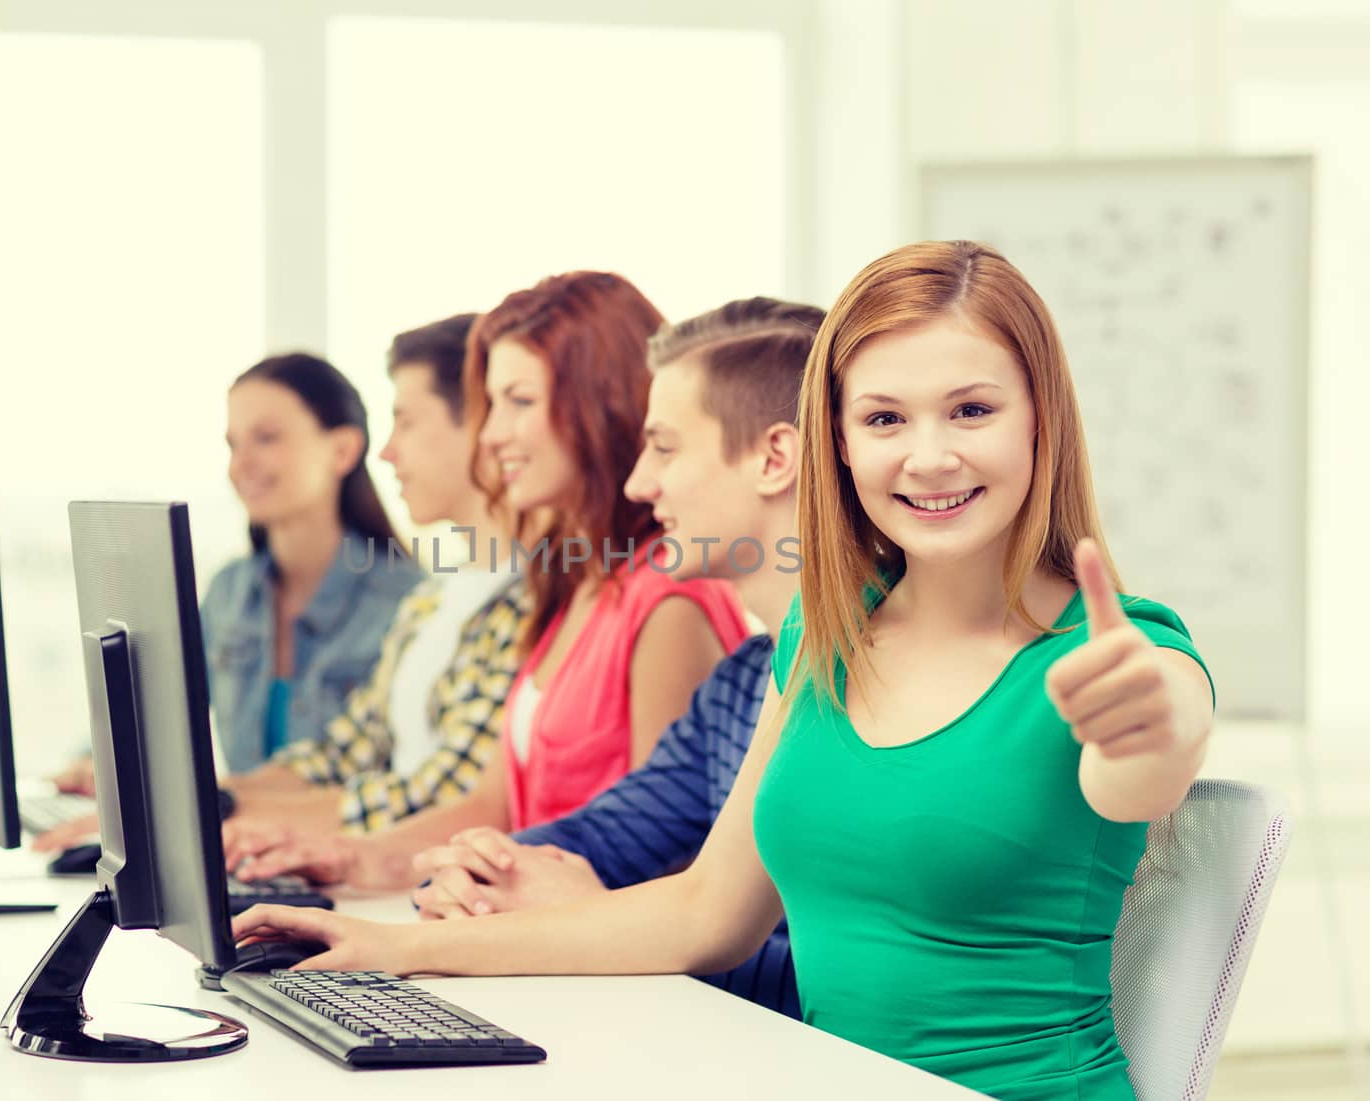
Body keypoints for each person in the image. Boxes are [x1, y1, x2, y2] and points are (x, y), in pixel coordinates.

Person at [231, 242, 1217, 1101]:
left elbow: (1145, 757)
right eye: (882, 420)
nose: (927, 457)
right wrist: (398, 952)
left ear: (1040, 419)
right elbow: (705, 915)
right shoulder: (822, 641)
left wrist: (1144, 726)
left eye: (970, 410)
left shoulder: (1118, 657)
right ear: (835, 441)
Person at [223, 271, 749, 888]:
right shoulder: (572, 588)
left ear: (597, 401)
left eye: (518, 402)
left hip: (595, 968)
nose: (491, 433)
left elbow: (667, 861)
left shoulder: (667, 602)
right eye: (492, 404)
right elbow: (491, 808)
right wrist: (350, 857)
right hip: (530, 945)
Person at [408, 297, 819, 1022]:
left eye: (663, 447)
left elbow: (844, 983)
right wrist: (474, 873)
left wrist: (600, 915)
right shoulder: (742, 683)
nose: (639, 483)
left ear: (774, 458)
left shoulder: (870, 684)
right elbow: (603, 833)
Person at [37, 352, 423, 837]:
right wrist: (94, 766)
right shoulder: (230, 592)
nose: (241, 465)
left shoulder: (408, 601)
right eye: (232, 444)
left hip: (350, 860)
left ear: (342, 450)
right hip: (247, 846)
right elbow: (155, 715)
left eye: (266, 438)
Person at [217, 313, 530, 834]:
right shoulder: (431, 600)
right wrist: (207, 804)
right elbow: (343, 753)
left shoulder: (529, 601)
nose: (385, 451)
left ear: (478, 423)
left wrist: (232, 819)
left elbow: (442, 795)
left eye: (405, 421)